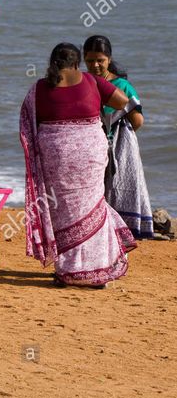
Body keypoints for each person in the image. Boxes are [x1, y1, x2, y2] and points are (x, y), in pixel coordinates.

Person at [19, 42, 137, 288]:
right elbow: (122, 101)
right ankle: (96, 271)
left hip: (56, 157)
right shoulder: (91, 81)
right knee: (93, 207)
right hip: (90, 155)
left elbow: (29, 121)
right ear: (77, 63)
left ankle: (66, 270)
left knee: (62, 211)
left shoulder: (39, 88)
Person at [83, 35, 153, 239]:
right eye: (89, 61)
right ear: (83, 60)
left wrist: (117, 137)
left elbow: (137, 120)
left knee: (116, 190)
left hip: (119, 148)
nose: (95, 65)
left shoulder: (121, 85)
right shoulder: (85, 82)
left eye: (100, 60)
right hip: (92, 149)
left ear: (109, 59)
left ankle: (117, 240)